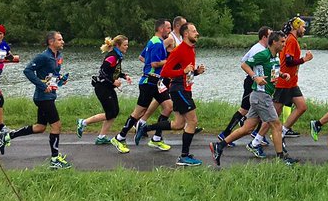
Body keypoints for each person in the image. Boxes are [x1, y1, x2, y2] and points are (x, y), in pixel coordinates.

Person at [212, 31, 297, 166]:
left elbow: (272, 71)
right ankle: (282, 158)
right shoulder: (263, 54)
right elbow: (244, 64)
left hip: (262, 96)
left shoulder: (275, 56)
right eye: (282, 42)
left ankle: (219, 146)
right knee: (276, 125)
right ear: (274, 42)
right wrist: (255, 77)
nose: (284, 44)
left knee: (248, 128)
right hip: (261, 96)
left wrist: (282, 75)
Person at [0, 31, 70, 168]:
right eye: (59, 39)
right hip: (43, 97)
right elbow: (27, 71)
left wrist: (60, 79)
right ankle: (55, 160)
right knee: (56, 126)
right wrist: (42, 85)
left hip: (50, 95)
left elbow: (52, 74)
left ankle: (7, 136)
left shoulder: (58, 55)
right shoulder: (43, 56)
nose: (62, 41)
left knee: (40, 127)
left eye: (62, 39)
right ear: (51, 42)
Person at [114, 19, 172, 150]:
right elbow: (154, 64)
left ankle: (156, 138)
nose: (170, 31)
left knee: (168, 107)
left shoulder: (154, 41)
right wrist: (169, 60)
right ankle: (119, 137)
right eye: (168, 28)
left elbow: (143, 58)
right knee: (139, 112)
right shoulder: (157, 44)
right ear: (161, 29)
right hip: (149, 82)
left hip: (157, 82)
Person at [158, 21, 207, 167]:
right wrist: (183, 71)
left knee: (179, 124)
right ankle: (183, 157)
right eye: (194, 31)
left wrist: (196, 72)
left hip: (186, 89)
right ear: (186, 34)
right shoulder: (179, 50)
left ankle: (146, 128)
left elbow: (188, 73)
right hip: (178, 89)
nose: (197, 33)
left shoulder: (192, 50)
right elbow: (165, 72)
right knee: (192, 121)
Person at [77, 35, 133, 152]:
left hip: (108, 87)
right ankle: (83, 122)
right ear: (117, 45)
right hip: (102, 87)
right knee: (111, 112)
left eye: (127, 45)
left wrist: (124, 76)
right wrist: (114, 81)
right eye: (125, 45)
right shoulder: (112, 56)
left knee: (114, 112)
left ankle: (101, 137)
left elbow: (114, 71)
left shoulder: (118, 56)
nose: (127, 47)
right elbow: (102, 72)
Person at [276, 17, 315, 138]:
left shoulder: (293, 40)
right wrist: (305, 59)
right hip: (284, 81)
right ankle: (257, 138)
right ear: (296, 27)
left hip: (292, 82)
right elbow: (288, 61)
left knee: (302, 106)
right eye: (303, 27)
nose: (304, 30)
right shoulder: (291, 40)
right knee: (274, 113)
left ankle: (282, 131)